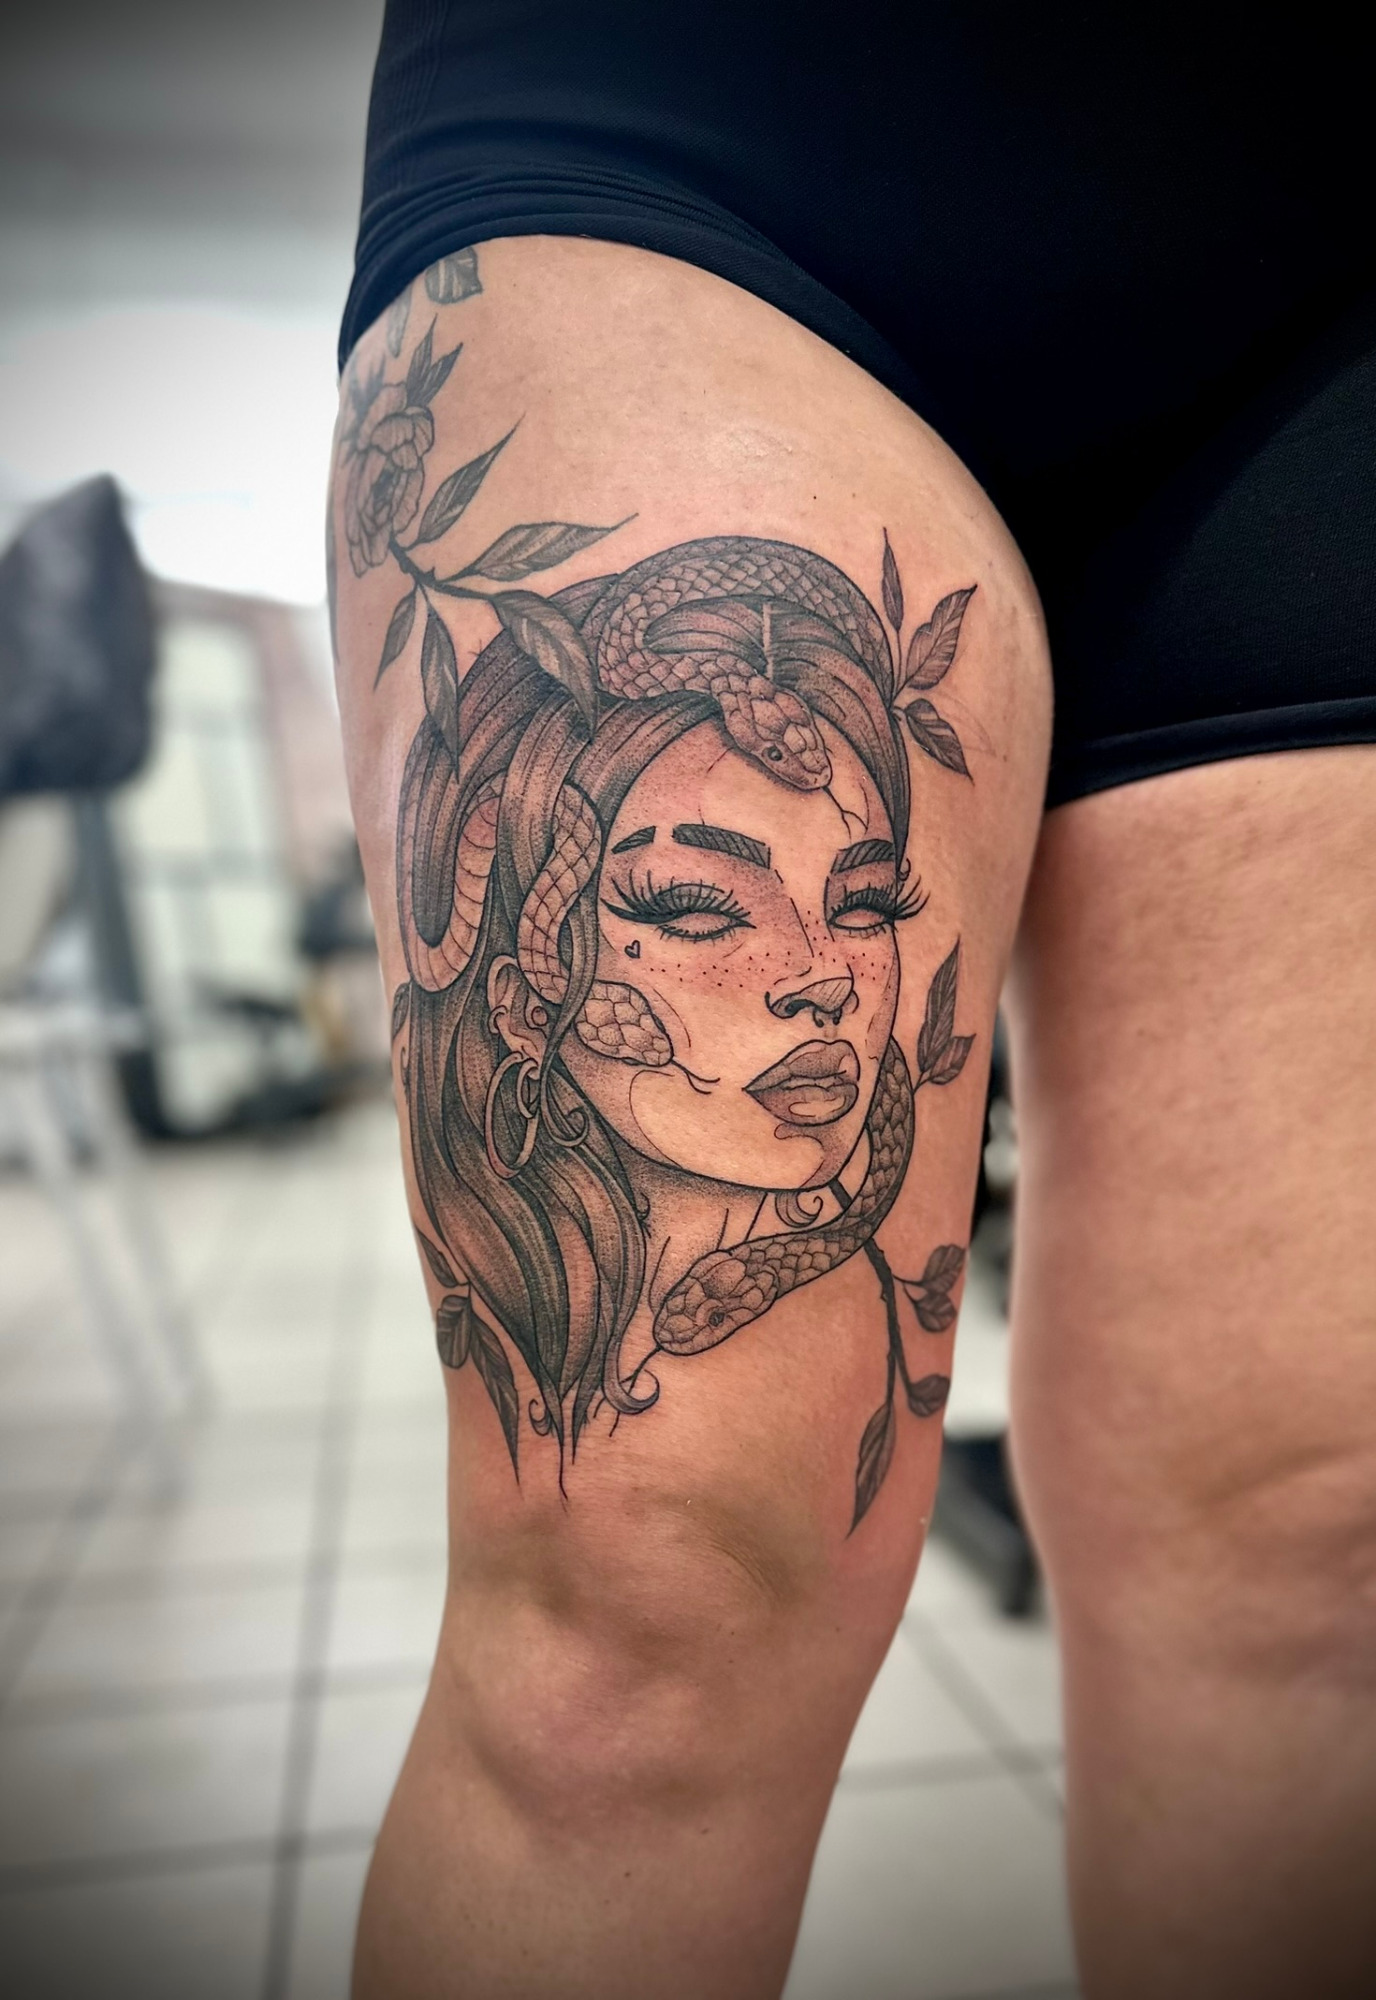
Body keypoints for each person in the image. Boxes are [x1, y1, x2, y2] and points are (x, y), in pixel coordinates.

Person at [328, 6, 1376, 1994]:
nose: (827, 985)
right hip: (721, 114)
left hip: (1328, 283)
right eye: (689, 906)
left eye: (864, 899)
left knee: (1316, 1557)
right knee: (641, 1622)